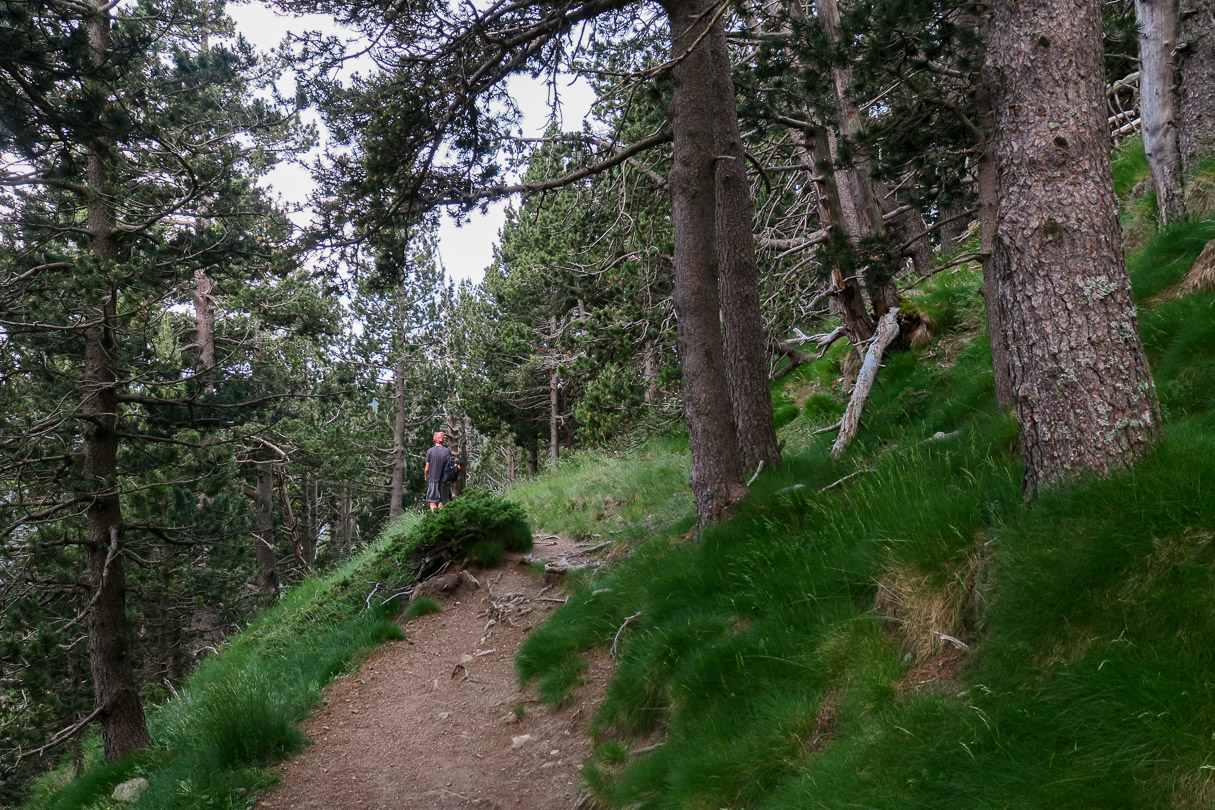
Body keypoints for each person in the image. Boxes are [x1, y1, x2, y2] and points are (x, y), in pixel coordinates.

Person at [423, 431, 453, 510]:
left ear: (435, 439)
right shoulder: (447, 451)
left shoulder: (430, 451)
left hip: (433, 479)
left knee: (432, 501)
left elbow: (427, 468)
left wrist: (426, 477)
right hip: (444, 480)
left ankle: (434, 516)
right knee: (442, 501)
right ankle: (440, 517)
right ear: (443, 440)